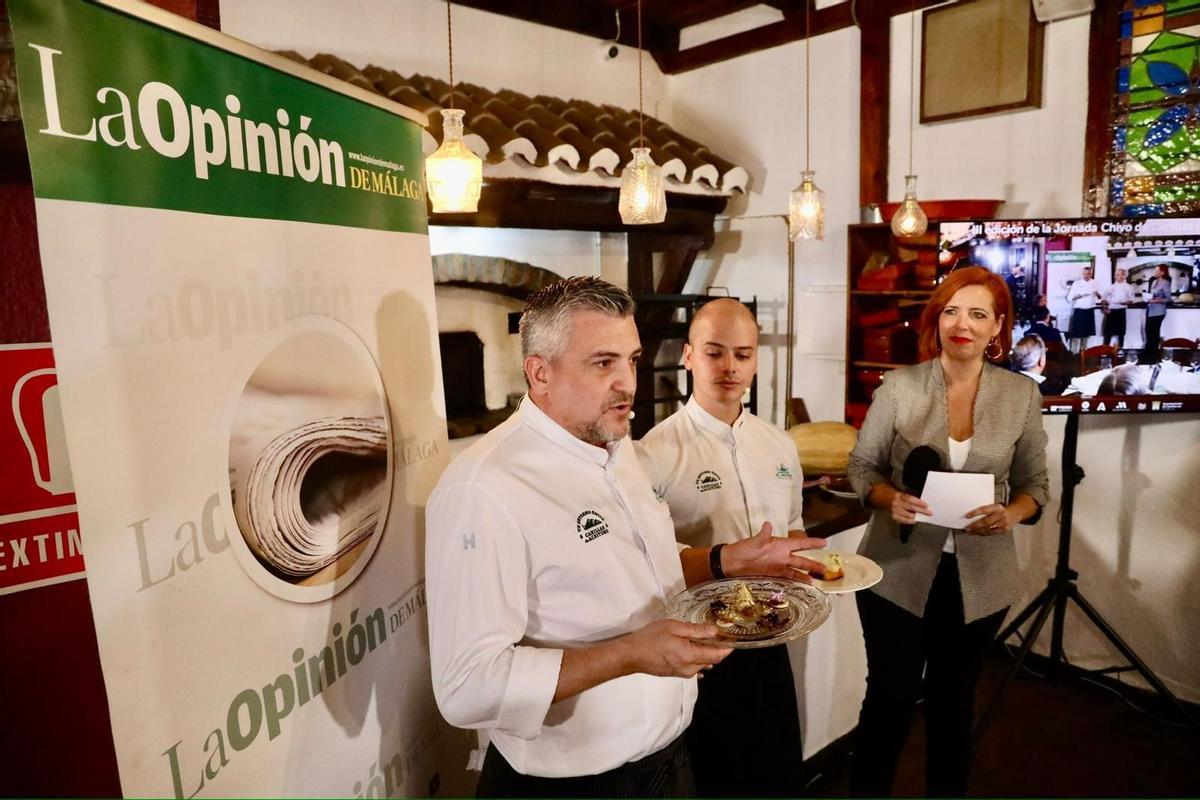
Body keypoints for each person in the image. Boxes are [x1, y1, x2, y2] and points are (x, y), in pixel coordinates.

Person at [425, 277, 819, 798]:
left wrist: (726, 561)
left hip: (669, 760)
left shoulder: (617, 445)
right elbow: (466, 687)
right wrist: (631, 654)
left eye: (631, 360)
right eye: (603, 363)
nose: (628, 384)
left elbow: (647, 563)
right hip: (572, 785)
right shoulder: (485, 486)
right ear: (539, 373)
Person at [846, 267, 1049, 798]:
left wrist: (1013, 513)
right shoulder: (901, 386)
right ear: (936, 320)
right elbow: (862, 467)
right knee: (888, 699)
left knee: (952, 706)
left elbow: (1035, 484)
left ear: (997, 327)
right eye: (952, 311)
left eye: (978, 313)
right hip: (895, 570)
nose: (963, 323)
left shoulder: (1022, 396)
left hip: (980, 579)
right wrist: (892, 498)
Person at [637, 298, 824, 797]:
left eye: (742, 354)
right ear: (688, 355)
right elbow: (650, 559)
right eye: (715, 352)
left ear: (756, 360)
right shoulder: (654, 452)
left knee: (780, 770)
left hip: (773, 632)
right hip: (702, 646)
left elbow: (791, 528)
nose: (730, 367)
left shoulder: (779, 444)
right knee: (717, 776)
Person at [1066, 264, 1101, 354]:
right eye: (1084, 274)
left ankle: (1084, 353)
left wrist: (1097, 293)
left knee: (1086, 335)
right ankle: (1073, 353)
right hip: (1079, 310)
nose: (1086, 275)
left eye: (1088, 274)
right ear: (1082, 274)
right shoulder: (1077, 284)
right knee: (1076, 334)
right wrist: (1080, 296)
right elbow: (1069, 298)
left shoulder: (1095, 283)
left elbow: (1099, 297)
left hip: (1089, 310)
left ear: (1091, 274)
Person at [1102, 267, 1136, 349]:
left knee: (1121, 332)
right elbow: (1103, 298)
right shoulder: (1111, 287)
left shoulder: (1128, 287)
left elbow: (1132, 300)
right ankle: (1105, 350)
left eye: (1117, 275)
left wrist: (1125, 302)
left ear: (1123, 276)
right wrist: (1105, 309)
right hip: (1111, 311)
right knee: (1108, 332)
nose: (1115, 277)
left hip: (1121, 311)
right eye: (1115, 275)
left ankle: (1120, 349)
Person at [1144, 264, 1171, 359]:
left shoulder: (1165, 283)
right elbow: (1152, 294)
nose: (1155, 272)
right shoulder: (1154, 281)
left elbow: (1168, 298)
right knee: (1148, 331)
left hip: (1159, 312)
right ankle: (1148, 354)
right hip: (1150, 310)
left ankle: (1153, 355)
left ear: (1162, 272)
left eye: (1156, 271)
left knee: (1154, 334)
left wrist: (1155, 300)